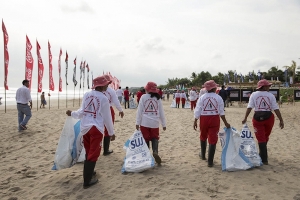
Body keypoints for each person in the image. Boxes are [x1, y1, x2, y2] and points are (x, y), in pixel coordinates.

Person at [66, 75, 115, 189]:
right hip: (96, 128)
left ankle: (90, 173)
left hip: (85, 128)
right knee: (94, 153)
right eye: (107, 84)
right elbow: (107, 117)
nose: (108, 85)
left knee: (89, 151)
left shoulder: (87, 94)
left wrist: (72, 113)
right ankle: (87, 181)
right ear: (102, 85)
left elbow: (82, 111)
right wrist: (111, 133)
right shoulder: (103, 98)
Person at [242, 79, 284, 165]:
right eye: (268, 85)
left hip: (257, 118)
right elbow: (275, 108)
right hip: (269, 118)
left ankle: (264, 159)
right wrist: (281, 120)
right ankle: (263, 156)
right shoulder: (271, 95)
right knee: (265, 136)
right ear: (264, 86)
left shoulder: (254, 94)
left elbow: (249, 107)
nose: (269, 87)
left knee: (261, 138)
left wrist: (245, 117)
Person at [193, 80, 230, 167]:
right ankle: (210, 162)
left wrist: (195, 121)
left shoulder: (202, 97)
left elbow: (197, 110)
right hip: (214, 119)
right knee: (213, 139)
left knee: (203, 136)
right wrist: (226, 123)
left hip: (203, 119)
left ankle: (203, 155)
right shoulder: (218, 98)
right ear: (214, 88)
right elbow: (221, 112)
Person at [136, 81, 166, 165]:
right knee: (155, 138)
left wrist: (137, 122)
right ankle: (155, 151)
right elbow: (161, 112)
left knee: (145, 139)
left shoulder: (143, 97)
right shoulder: (158, 98)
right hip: (155, 123)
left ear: (147, 89)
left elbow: (139, 111)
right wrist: (163, 124)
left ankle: (146, 156)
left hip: (144, 122)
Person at [102, 75, 124, 156]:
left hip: (97, 110)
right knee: (108, 129)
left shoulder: (96, 90)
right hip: (108, 109)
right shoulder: (111, 91)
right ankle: (106, 150)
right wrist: (120, 110)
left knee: (97, 129)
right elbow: (116, 101)